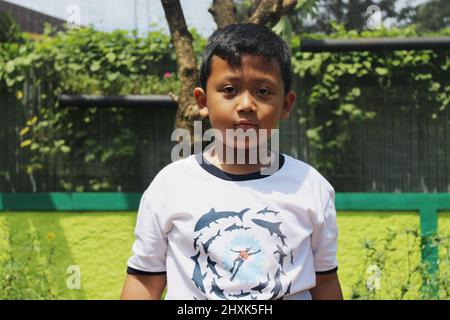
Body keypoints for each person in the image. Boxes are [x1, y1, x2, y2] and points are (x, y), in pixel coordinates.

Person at [120, 23, 343, 300]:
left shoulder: (310, 186)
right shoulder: (169, 185)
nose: (247, 104)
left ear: (286, 105)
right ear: (202, 101)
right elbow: (144, 281)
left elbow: (324, 282)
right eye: (229, 89)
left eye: (263, 91)